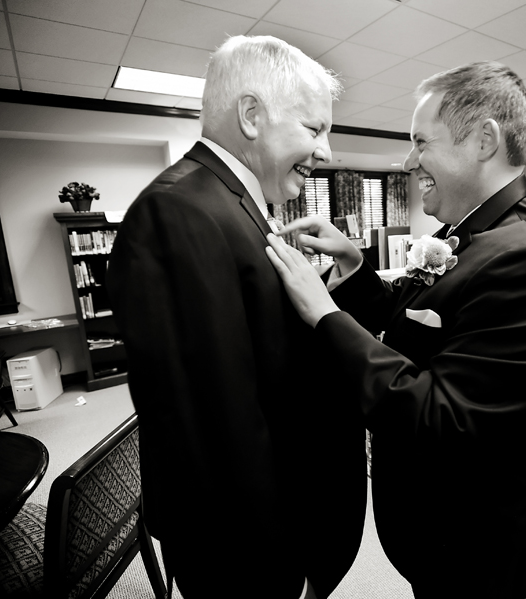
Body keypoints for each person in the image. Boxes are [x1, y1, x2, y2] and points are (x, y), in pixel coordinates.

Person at [266, 61, 526, 598]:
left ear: (484, 140)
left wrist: (326, 316)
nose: (410, 162)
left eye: (420, 143)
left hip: (472, 543)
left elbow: (447, 416)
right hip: (433, 529)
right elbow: (420, 321)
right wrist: (353, 267)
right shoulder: (466, 232)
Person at [105, 35, 367, 599]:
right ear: (252, 115)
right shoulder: (177, 210)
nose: (326, 151)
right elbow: (210, 423)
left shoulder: (235, 200)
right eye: (315, 128)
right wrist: (274, 567)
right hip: (246, 550)